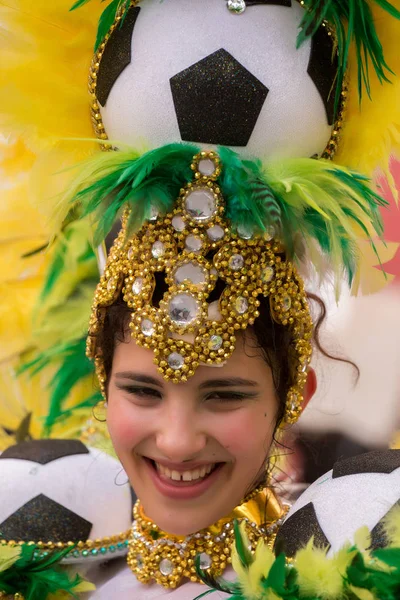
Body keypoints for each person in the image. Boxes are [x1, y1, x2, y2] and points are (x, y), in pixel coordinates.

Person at [0, 0, 399, 599]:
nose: (178, 440)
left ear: (295, 394)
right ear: (103, 379)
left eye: (224, 395)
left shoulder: (350, 565)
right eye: (142, 389)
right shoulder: (39, 549)